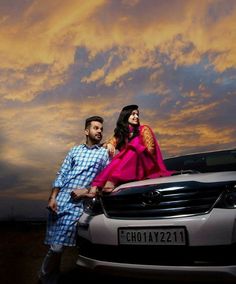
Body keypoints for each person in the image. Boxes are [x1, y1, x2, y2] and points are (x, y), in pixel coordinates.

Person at [39, 116, 110, 284]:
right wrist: (53, 197)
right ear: (86, 131)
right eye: (95, 128)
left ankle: (43, 278)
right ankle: (52, 277)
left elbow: (106, 179)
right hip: (60, 201)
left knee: (57, 247)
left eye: (101, 128)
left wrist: (85, 192)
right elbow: (62, 174)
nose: (99, 131)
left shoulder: (104, 153)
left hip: (79, 205)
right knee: (56, 245)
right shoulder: (74, 150)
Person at [87, 104, 174, 195]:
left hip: (146, 164)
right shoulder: (121, 135)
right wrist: (109, 144)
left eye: (137, 114)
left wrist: (130, 148)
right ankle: (96, 186)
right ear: (126, 116)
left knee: (135, 145)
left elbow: (150, 150)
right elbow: (109, 143)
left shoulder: (144, 129)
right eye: (133, 114)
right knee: (118, 159)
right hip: (127, 168)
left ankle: (112, 180)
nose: (136, 116)